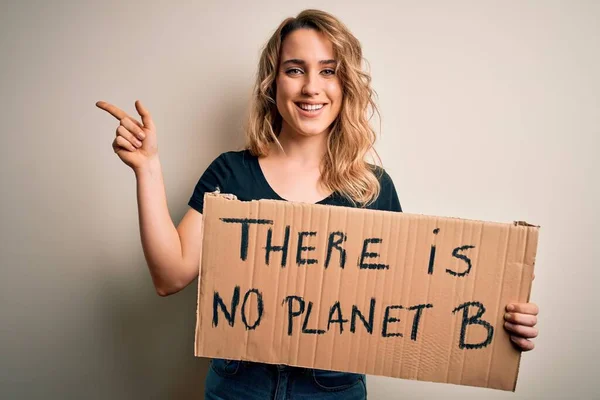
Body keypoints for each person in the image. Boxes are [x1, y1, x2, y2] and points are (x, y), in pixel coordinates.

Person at [96, 9, 539, 400]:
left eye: (328, 71)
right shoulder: (231, 174)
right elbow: (169, 276)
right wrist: (148, 169)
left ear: (345, 85)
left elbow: (414, 307)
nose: (311, 87)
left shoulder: (372, 190)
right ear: (273, 82)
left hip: (332, 392)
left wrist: (499, 323)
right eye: (295, 69)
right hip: (239, 388)